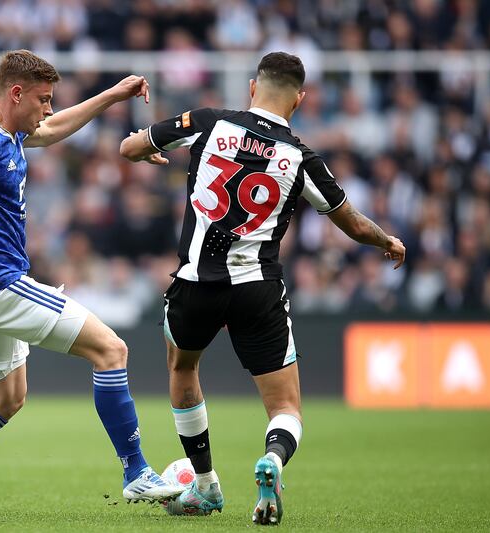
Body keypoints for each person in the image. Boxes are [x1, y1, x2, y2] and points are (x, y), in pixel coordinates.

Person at [119, 52, 406, 525]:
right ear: (300, 99)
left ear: (253, 87)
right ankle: (272, 458)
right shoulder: (301, 156)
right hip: (258, 287)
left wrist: (149, 148)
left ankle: (206, 487)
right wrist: (387, 240)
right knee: (286, 405)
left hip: (195, 282)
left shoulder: (209, 122)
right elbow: (352, 223)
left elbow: (130, 148)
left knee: (182, 367)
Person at [0, 50, 182, 514]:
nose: (48, 109)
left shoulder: (9, 132)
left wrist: (112, 95)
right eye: (43, 99)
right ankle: (136, 473)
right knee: (111, 350)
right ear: (16, 93)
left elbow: (50, 132)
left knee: (7, 399)